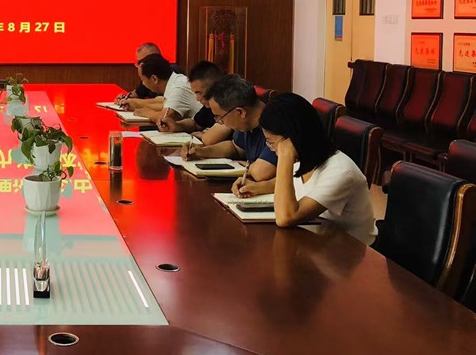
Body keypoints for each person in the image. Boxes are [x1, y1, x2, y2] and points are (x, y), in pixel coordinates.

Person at [258, 93, 377, 246]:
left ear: (292, 139)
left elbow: (286, 217)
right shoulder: (307, 159)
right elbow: (296, 183)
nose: (272, 149)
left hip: (352, 254)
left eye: (271, 142)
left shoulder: (340, 171)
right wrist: (257, 187)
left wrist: (284, 156)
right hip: (317, 244)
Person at [180, 74, 277, 188]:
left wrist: (247, 165)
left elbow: (262, 172)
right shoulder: (247, 122)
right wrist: (202, 151)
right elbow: (235, 148)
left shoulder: (276, 124)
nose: (219, 122)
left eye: (219, 117)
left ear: (240, 112)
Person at [157, 61, 232, 146]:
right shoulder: (208, 107)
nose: (197, 99)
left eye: (199, 93)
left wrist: (202, 135)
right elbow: (195, 123)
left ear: (214, 88)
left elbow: (209, 139)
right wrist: (177, 125)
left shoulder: (230, 105)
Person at [132, 53, 201, 123]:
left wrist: (147, 113)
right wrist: (137, 105)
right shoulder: (175, 81)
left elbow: (164, 119)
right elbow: (164, 105)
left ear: (154, 79)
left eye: (142, 79)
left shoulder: (178, 87)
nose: (143, 83)